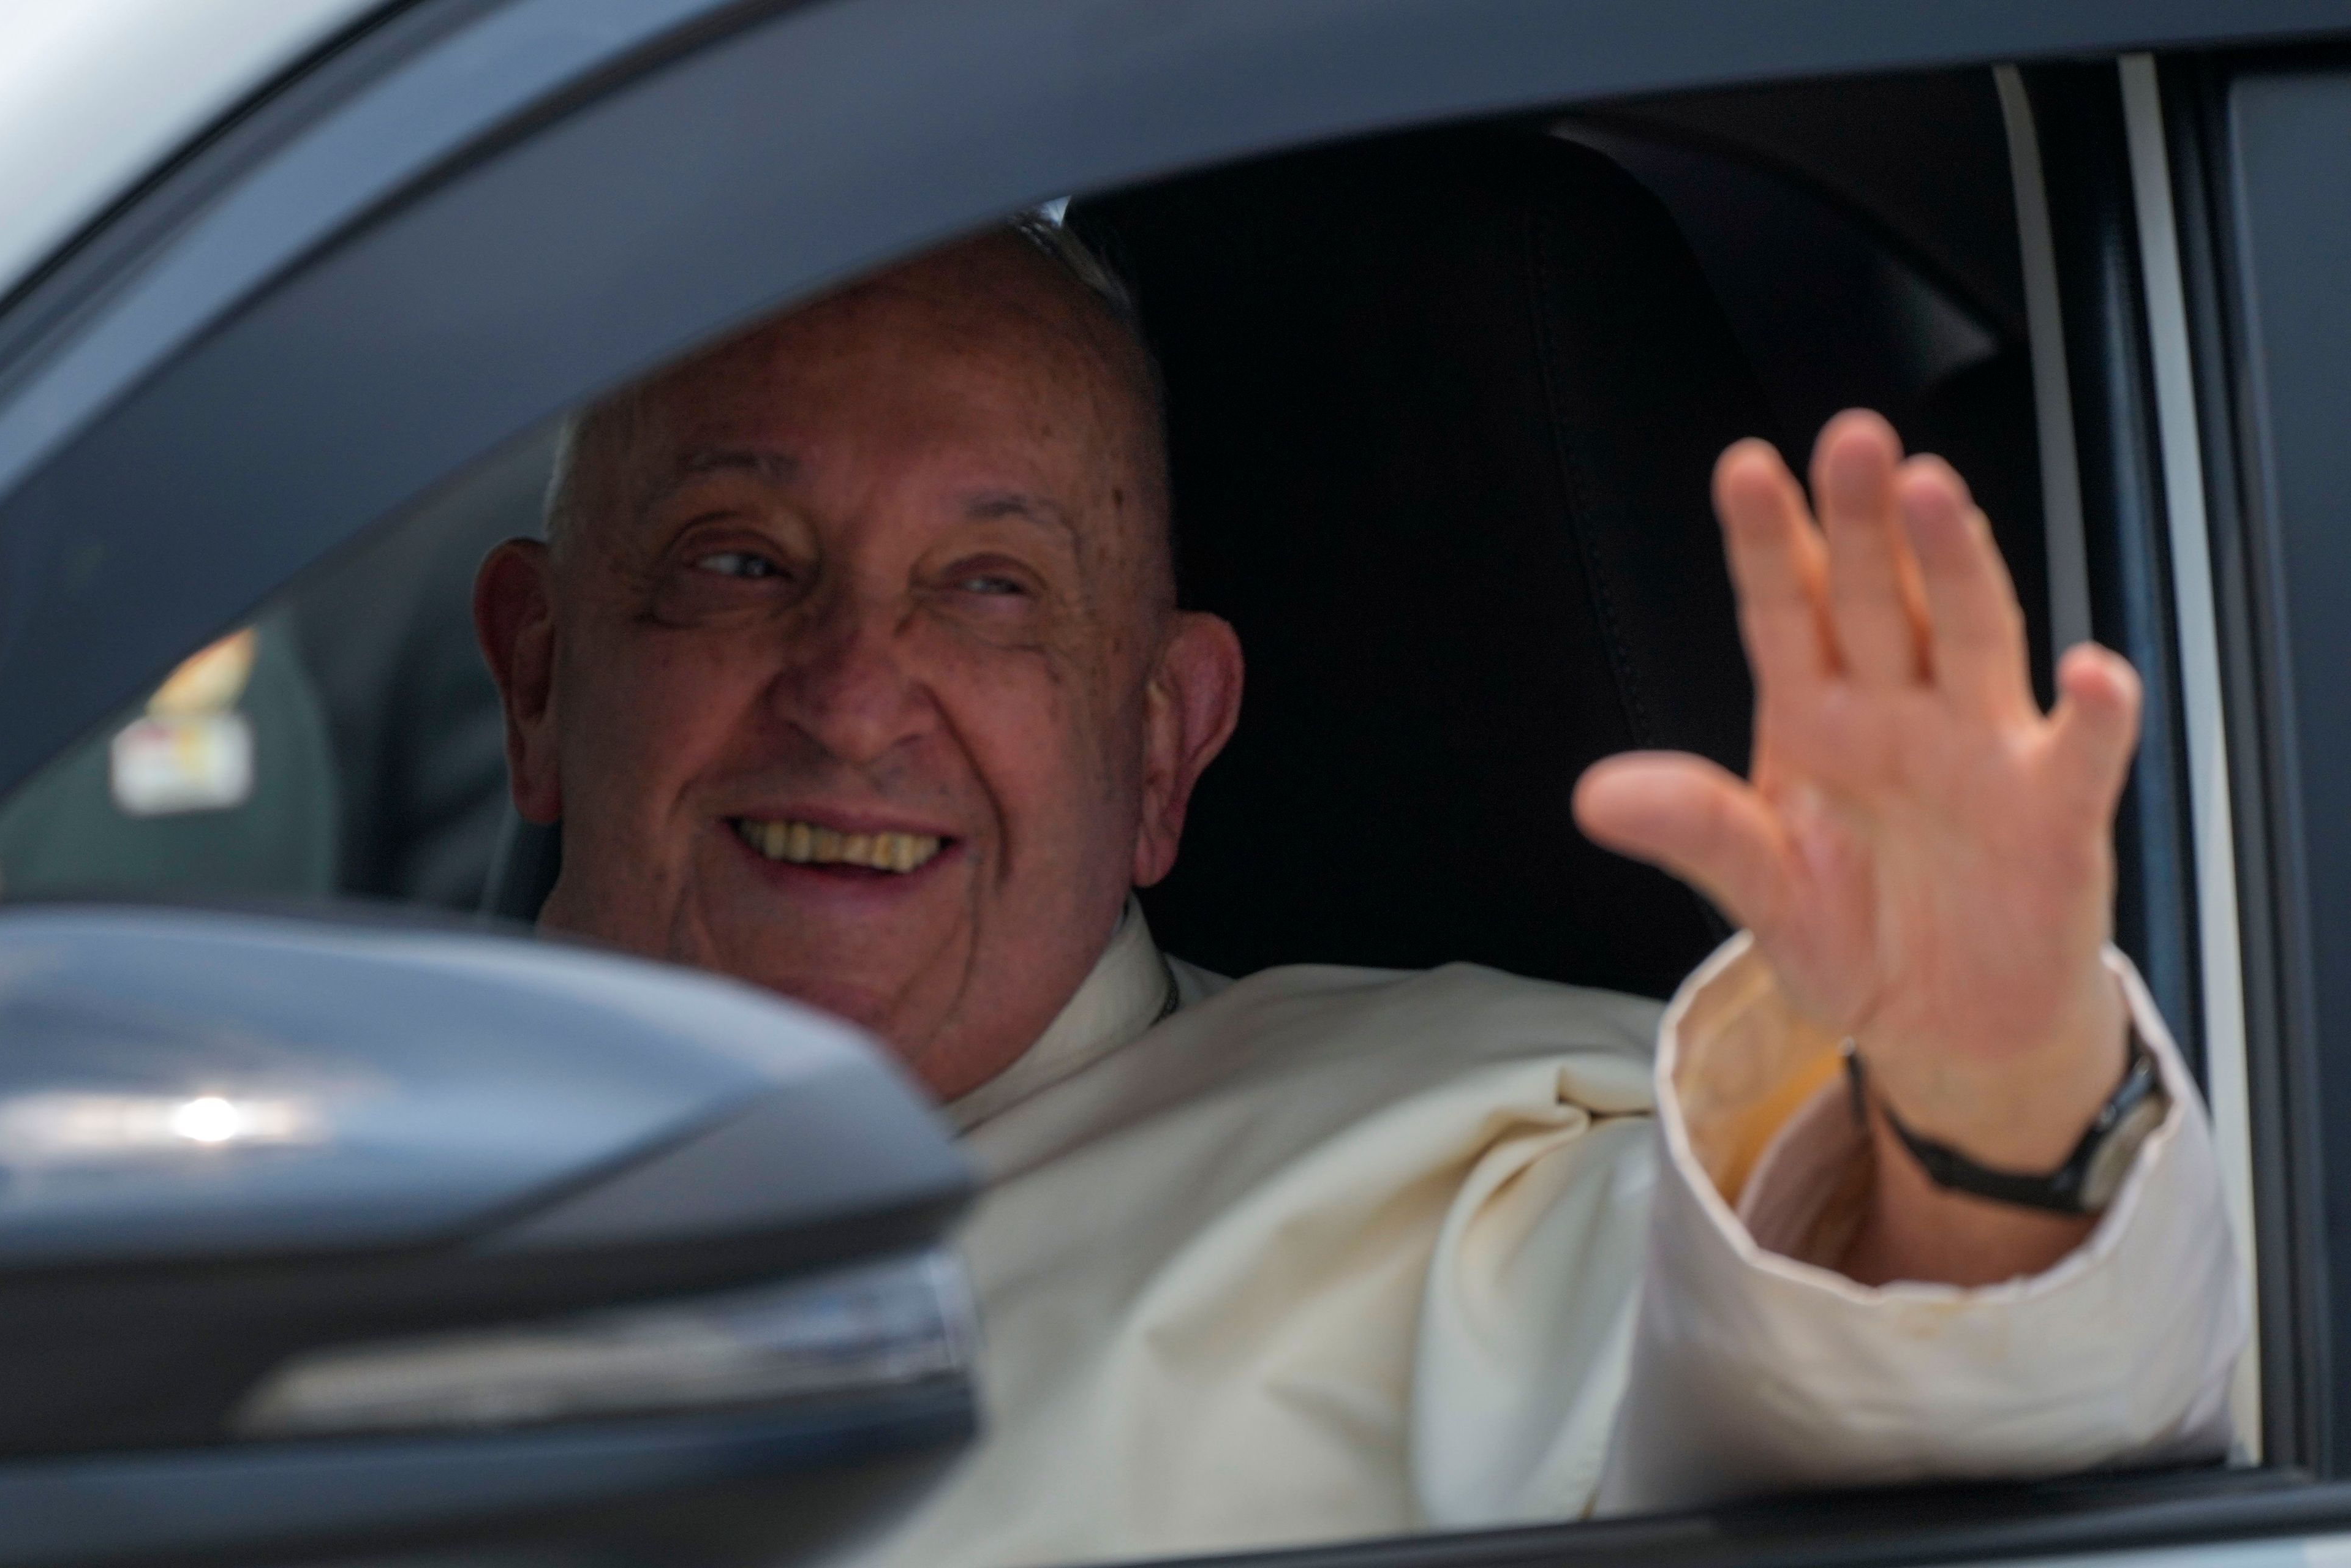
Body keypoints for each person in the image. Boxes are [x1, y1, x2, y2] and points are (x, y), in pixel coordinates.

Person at [472, 217, 2241, 1566]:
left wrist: (1987, 1097)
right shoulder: (269, 1153)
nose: (855, 693)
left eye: (994, 589)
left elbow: (1955, 1383)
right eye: (737, 562)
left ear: (1163, 743)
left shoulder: (1469, 1178)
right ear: (538, 679)